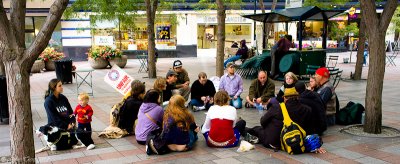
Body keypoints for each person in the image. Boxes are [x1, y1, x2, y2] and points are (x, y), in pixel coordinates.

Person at [246, 87, 313, 150]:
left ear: (285, 98)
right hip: (295, 141)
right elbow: (309, 128)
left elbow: (263, 122)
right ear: (297, 97)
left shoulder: (277, 107)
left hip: (274, 142)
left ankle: (242, 128)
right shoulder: (307, 109)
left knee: (257, 129)